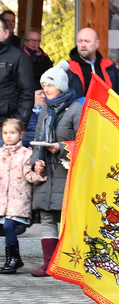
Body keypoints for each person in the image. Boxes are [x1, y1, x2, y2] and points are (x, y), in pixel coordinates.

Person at [28, 62, 81, 277]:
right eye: (42, 86)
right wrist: (36, 162)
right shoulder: (45, 110)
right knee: (48, 218)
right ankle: (49, 264)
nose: (45, 89)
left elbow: (85, 143)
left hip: (67, 173)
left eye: (48, 85)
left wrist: (61, 148)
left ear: (60, 85)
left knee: (67, 219)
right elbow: (38, 139)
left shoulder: (77, 110)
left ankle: (68, 265)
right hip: (48, 174)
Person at [0, 119, 39, 274]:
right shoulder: (0, 154)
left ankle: (14, 259)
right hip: (3, 199)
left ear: (21, 134)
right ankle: (13, 259)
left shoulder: (26, 153)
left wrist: (39, 174)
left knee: (9, 226)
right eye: (5, 133)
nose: (8, 136)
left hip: (19, 198)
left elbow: (29, 175)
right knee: (6, 227)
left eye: (12, 133)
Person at [66, 28, 119, 102]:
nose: (83, 45)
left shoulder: (109, 66)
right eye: (80, 41)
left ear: (97, 43)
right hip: (79, 112)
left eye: (87, 41)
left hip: (105, 112)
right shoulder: (68, 67)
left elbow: (118, 97)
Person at [0, 17, 33, 126]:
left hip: (7, 126)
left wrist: (19, 124)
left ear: (6, 33)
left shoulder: (18, 57)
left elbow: (27, 93)